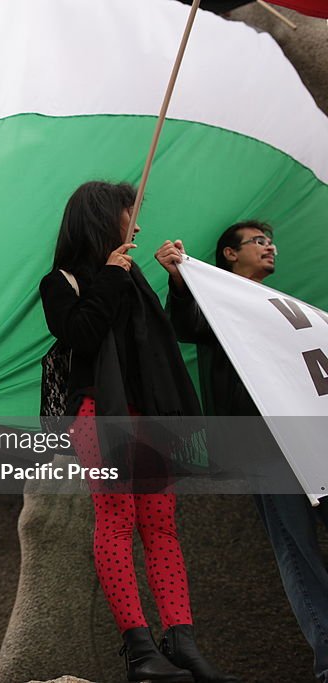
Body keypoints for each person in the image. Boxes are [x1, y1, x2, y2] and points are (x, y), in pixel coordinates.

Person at [39, 181, 237, 683]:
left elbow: (164, 341)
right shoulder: (60, 281)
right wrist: (109, 275)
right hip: (96, 411)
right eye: (131, 213)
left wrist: (173, 279)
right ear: (104, 217)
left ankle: (183, 643)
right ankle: (140, 648)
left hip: (146, 413)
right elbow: (81, 333)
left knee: (161, 524)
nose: (138, 223)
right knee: (117, 514)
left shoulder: (132, 278)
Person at [159, 222, 328, 683]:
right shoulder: (220, 304)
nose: (270, 245)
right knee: (297, 551)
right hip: (263, 445)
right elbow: (187, 324)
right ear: (229, 255)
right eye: (257, 240)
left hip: (314, 440)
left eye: (272, 239)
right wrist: (180, 277)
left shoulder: (281, 308)